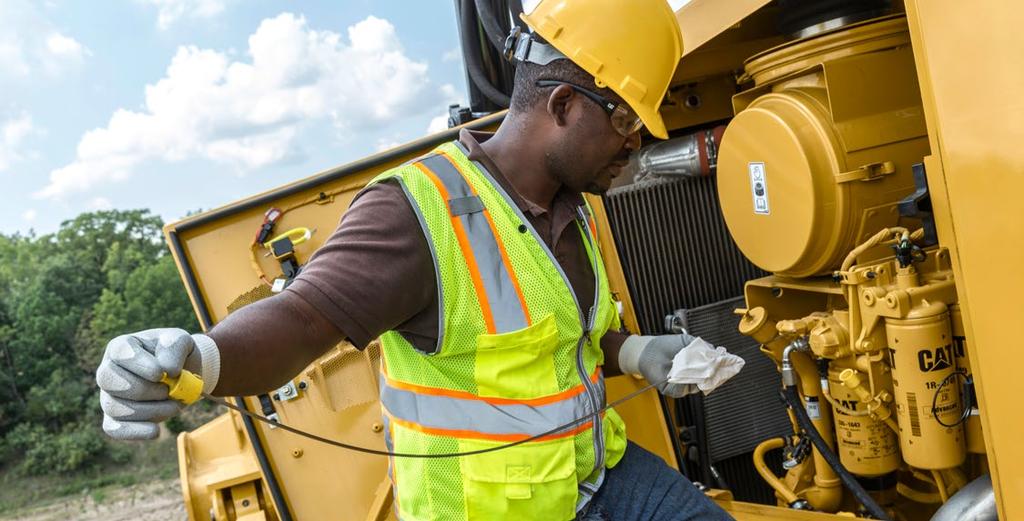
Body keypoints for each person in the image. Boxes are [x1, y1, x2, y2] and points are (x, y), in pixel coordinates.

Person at [95, 1, 738, 519]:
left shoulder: (577, 207)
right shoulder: (418, 212)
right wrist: (199, 360)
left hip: (600, 477)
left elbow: (560, 342)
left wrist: (634, 353)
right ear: (564, 105)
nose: (636, 144)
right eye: (626, 120)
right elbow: (300, 322)